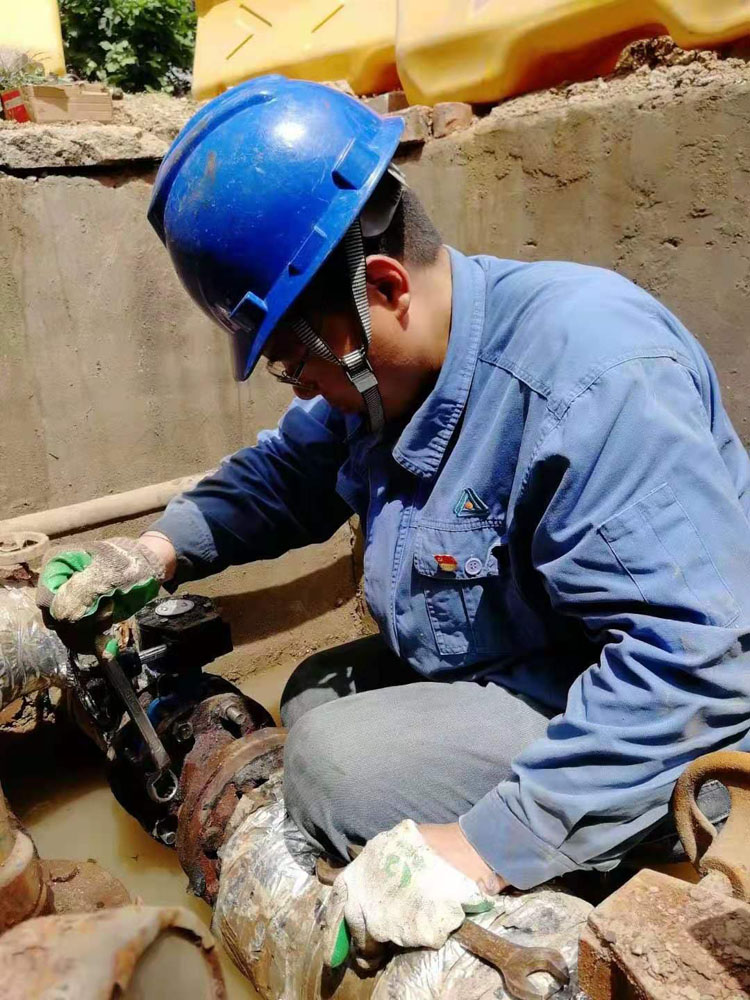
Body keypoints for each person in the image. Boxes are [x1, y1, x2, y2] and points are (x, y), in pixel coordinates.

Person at [38, 76, 750, 959]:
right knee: (313, 694)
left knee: (341, 768)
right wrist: (154, 552)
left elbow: (693, 668)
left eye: (293, 363)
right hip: (540, 656)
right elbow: (287, 472)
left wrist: (485, 848)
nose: (300, 390)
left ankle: (595, 870)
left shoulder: (592, 378)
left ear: (381, 287)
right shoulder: (394, 374)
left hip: (665, 716)